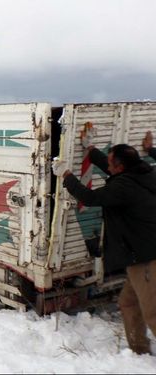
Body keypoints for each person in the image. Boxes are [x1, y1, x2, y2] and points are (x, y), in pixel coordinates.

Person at [52, 126, 156, 355]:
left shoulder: (124, 187)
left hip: (146, 259)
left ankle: (140, 350)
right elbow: (114, 173)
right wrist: (90, 149)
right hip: (142, 255)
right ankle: (138, 352)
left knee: (152, 313)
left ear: (120, 167)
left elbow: (90, 197)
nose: (108, 167)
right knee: (128, 304)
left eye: (111, 163)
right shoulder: (144, 173)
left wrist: (66, 175)